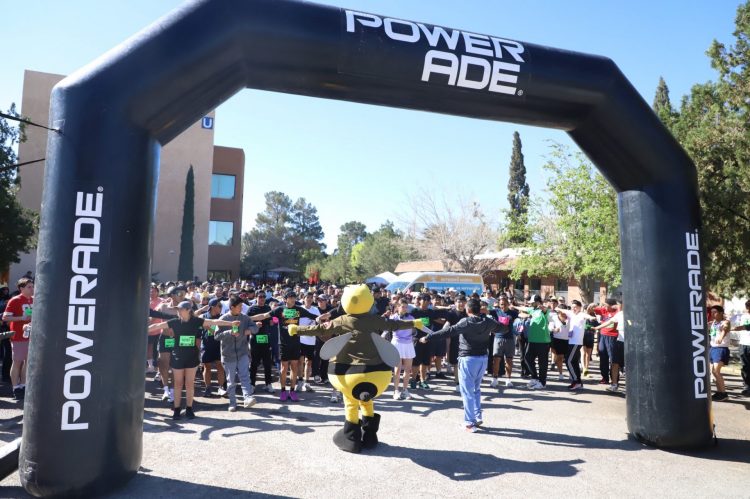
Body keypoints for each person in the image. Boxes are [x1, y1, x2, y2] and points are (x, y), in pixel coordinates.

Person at [421, 298, 502, 433]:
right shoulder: (487, 321)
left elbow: (447, 332)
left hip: (468, 359)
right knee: (475, 389)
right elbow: (503, 328)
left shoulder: (466, 321)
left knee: (468, 392)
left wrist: (428, 337)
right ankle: (477, 416)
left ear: (468, 309)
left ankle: (469, 423)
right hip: (482, 359)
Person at [149, 301, 240, 420]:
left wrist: (231, 323)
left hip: (191, 357)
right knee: (178, 384)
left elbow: (214, 322)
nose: (178, 311)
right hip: (177, 357)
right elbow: (157, 326)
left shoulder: (196, 321)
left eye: (180, 309)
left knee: (189, 384)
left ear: (188, 310)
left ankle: (189, 408)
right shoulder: (174, 322)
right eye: (177, 309)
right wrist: (144, 329)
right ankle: (177, 410)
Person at [255, 291, 320, 402]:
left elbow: (314, 316)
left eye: (294, 297)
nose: (293, 299)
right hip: (283, 344)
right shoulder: (280, 309)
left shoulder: (299, 309)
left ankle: (292, 391)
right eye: (290, 297)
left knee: (294, 367)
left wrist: (323, 319)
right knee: (284, 368)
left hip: (295, 343)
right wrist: (248, 318)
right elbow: (264, 316)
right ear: (285, 299)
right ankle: (283, 390)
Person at [215, 296, 259, 411]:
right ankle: (232, 402)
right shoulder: (223, 319)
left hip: (243, 352)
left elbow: (255, 328)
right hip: (228, 355)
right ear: (232, 307)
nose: (241, 308)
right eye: (239, 306)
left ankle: (247, 398)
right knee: (231, 380)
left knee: (245, 376)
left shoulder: (245, 318)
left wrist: (250, 330)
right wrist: (229, 332)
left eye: (242, 306)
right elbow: (216, 336)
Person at [2, 278, 34, 400]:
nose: (32, 289)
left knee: (27, 362)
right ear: (21, 288)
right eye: (29, 287)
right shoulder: (15, 300)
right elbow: (5, 317)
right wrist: (21, 318)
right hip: (18, 336)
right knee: (17, 362)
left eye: (32, 286)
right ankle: (15, 387)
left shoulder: (34, 300)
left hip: (31, 336)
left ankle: (23, 385)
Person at [512, 295, 550, 389]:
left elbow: (545, 310)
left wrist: (543, 307)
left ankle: (542, 383)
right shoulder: (533, 310)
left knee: (542, 363)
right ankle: (535, 378)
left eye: (532, 302)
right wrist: (513, 306)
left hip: (543, 341)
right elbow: (523, 308)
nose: (530, 304)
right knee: (527, 358)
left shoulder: (544, 311)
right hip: (532, 340)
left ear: (537, 302)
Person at [556, 300, 592, 390]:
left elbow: (587, 316)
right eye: (572, 307)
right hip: (571, 341)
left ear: (580, 307)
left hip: (576, 342)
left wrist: (592, 318)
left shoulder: (581, 314)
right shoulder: (571, 313)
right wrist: (557, 308)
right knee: (574, 362)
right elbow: (562, 310)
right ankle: (578, 382)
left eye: (575, 307)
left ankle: (576, 381)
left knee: (568, 361)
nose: (573, 309)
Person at [386, 299, 416, 400]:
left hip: (408, 344)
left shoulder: (411, 318)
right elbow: (388, 329)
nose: (404, 309)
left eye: (406, 307)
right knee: (397, 369)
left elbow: (415, 330)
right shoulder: (393, 317)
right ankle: (396, 391)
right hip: (397, 343)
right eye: (403, 307)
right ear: (398, 307)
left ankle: (405, 390)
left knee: (408, 369)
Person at [594, 300, 626, 393]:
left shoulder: (631, 313)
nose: (617, 306)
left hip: (627, 342)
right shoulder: (619, 314)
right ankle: (614, 385)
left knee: (624, 364)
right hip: (619, 341)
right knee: (615, 362)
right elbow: (610, 321)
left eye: (618, 305)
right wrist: (597, 328)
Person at [247, 293, 274, 393]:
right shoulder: (251, 309)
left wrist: (272, 322)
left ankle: (268, 384)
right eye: (260, 297)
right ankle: (252, 384)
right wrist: (255, 324)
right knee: (254, 363)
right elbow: (246, 322)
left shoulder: (268, 308)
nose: (262, 299)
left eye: (263, 297)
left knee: (267, 363)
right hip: (255, 338)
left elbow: (271, 320)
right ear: (256, 298)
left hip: (266, 338)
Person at [200, 298, 226, 398]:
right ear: (212, 307)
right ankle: (208, 388)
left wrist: (210, 328)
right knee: (207, 367)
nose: (221, 308)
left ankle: (221, 387)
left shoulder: (222, 317)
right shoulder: (204, 316)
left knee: (220, 365)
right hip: (206, 345)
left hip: (219, 345)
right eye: (219, 306)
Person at [490, 296, 519, 389]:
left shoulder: (513, 313)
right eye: (502, 304)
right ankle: (495, 379)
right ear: (499, 304)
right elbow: (485, 311)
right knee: (496, 359)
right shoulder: (496, 311)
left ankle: (508, 379)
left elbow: (521, 315)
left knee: (509, 360)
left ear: (508, 304)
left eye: (505, 304)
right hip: (498, 338)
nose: (503, 306)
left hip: (510, 339)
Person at [707, 305, 731, 401]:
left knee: (716, 371)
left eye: (715, 312)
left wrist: (721, 337)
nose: (713, 314)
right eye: (712, 312)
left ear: (721, 313)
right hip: (713, 348)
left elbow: (725, 328)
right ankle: (719, 392)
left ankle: (724, 394)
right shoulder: (713, 322)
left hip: (721, 349)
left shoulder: (725, 322)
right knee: (713, 372)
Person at [594, 298, 619, 385]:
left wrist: (616, 306)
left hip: (613, 337)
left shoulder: (617, 312)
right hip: (603, 336)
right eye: (604, 305)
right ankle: (605, 377)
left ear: (612, 306)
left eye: (607, 306)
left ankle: (614, 379)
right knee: (603, 356)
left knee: (613, 358)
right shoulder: (604, 310)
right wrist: (596, 305)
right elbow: (592, 309)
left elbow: (622, 308)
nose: (605, 307)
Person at [298, 292, 320, 392]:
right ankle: (300, 381)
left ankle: (306, 382)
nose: (309, 299)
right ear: (303, 298)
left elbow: (319, 321)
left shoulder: (315, 310)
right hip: (300, 339)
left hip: (311, 339)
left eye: (311, 297)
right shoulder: (299, 308)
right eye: (307, 297)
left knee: (308, 362)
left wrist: (315, 325)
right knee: (300, 361)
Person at [731, 300, 750, 397]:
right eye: (748, 308)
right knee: (745, 367)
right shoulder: (743, 316)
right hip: (743, 344)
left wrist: (736, 328)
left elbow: (746, 326)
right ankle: (747, 387)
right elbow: (731, 321)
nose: (748, 310)